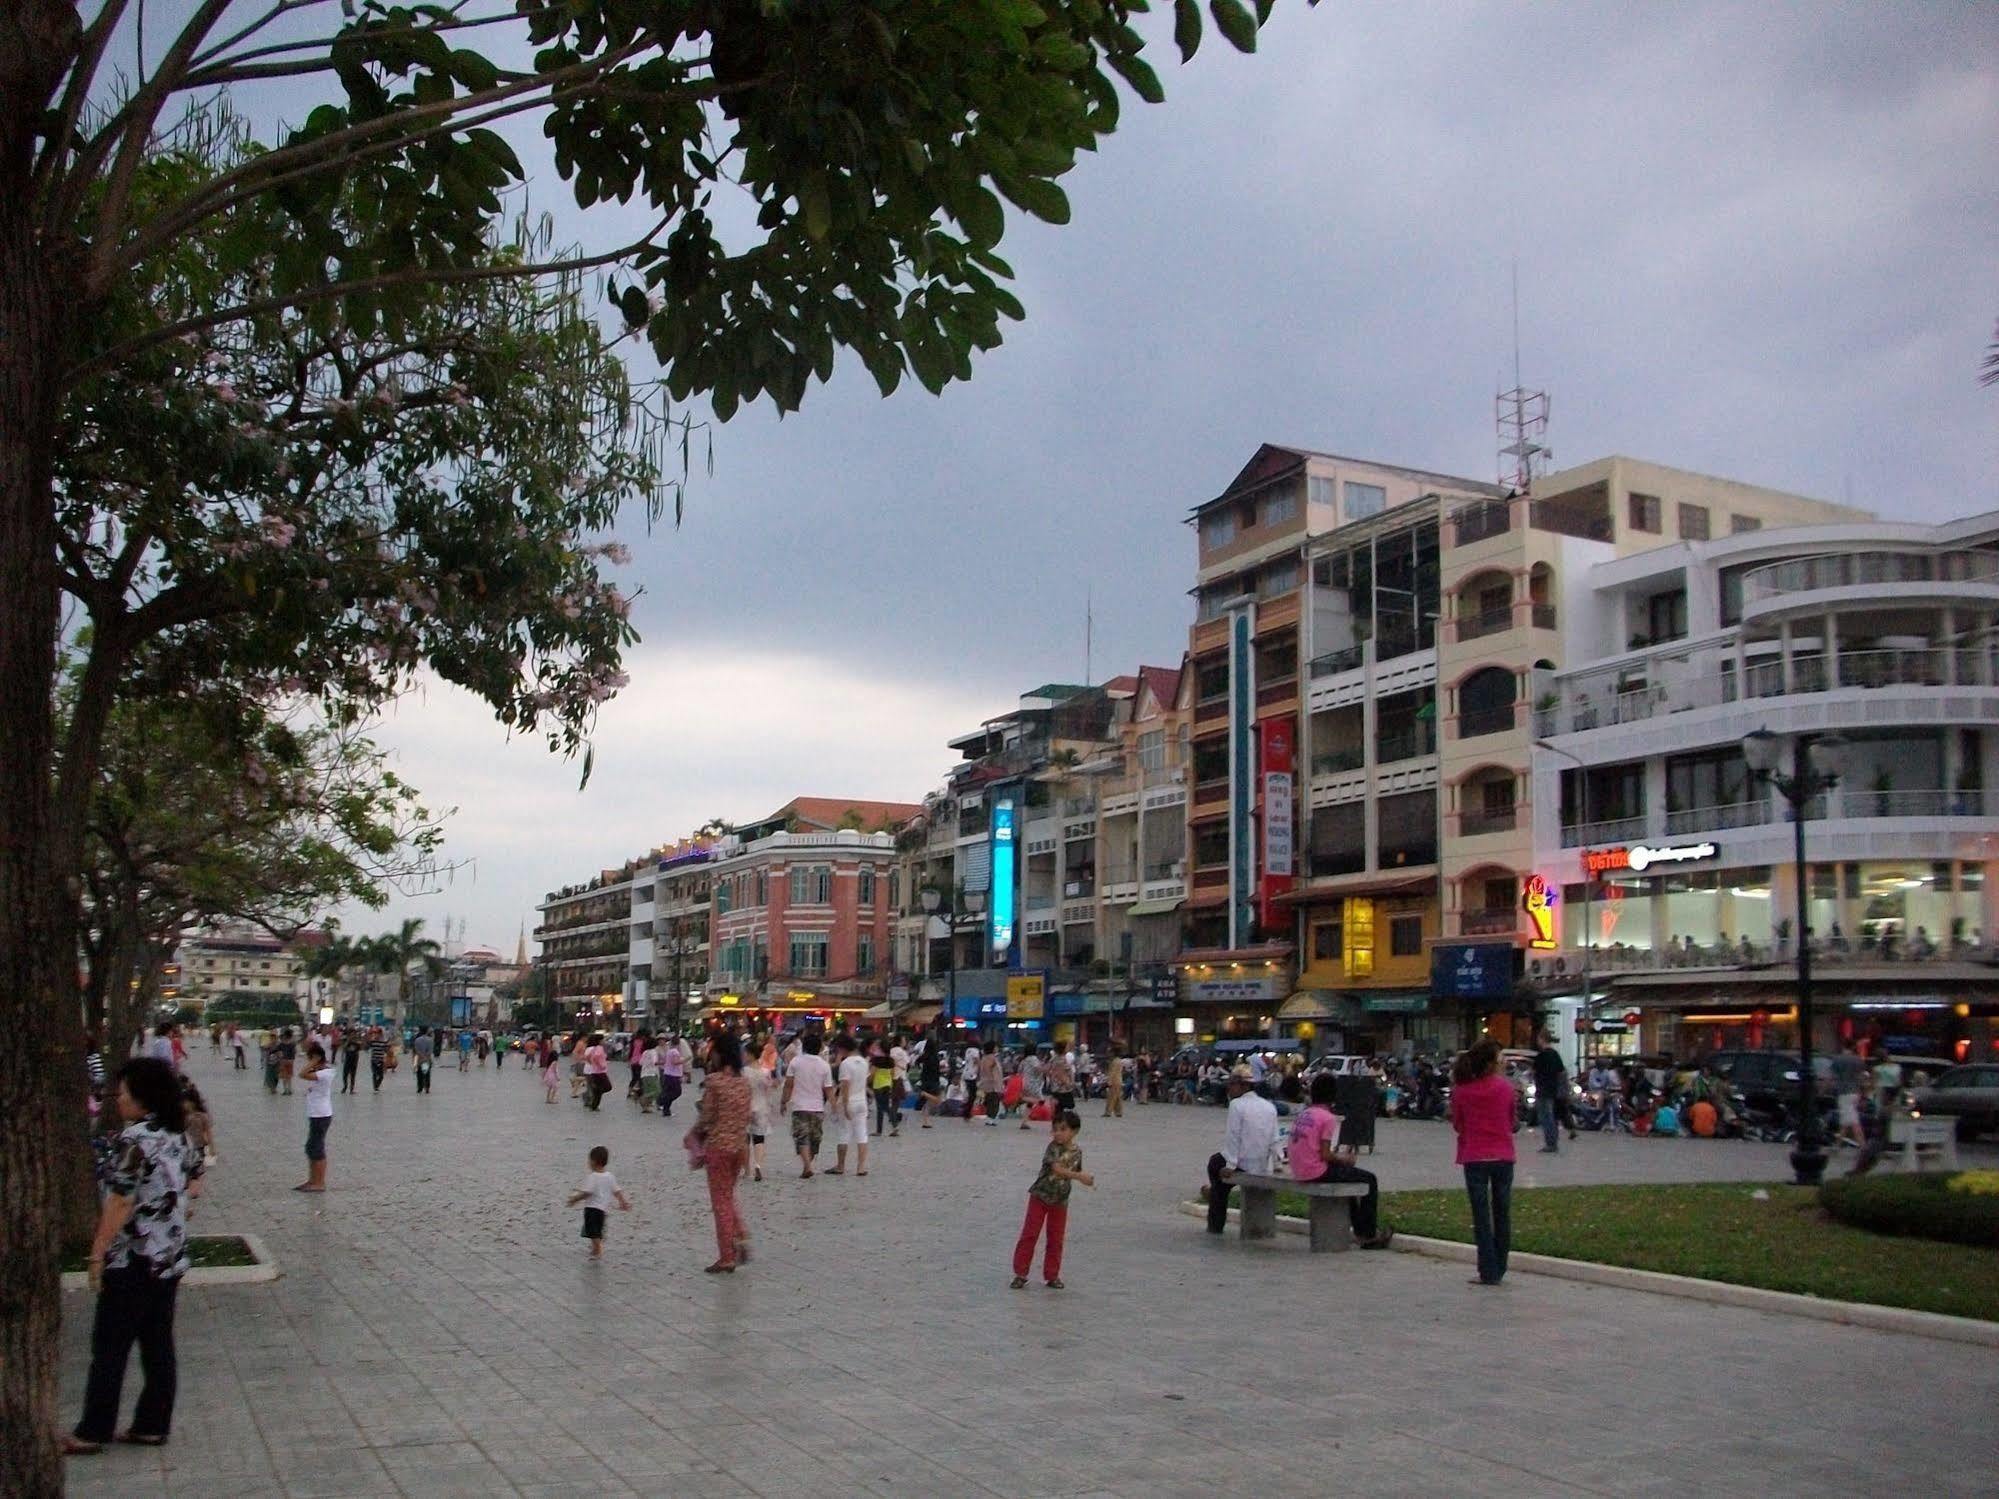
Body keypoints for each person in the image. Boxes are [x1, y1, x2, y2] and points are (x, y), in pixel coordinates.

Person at [64, 1057, 203, 1455]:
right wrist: (174, 1207)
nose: (118, 1099)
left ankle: (94, 1429)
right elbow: (194, 1181)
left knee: (109, 1346)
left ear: (143, 1098)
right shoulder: (181, 1136)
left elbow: (121, 1201)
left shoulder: (134, 1140)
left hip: (133, 1259)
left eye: (123, 1093)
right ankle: (152, 1424)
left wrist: (96, 1252)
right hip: (169, 1257)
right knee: (158, 1342)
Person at [1288, 1073, 1394, 1248]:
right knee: (1369, 1179)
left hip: (1299, 1168)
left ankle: (1360, 1230)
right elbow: (1325, 1154)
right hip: (1315, 1170)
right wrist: (1345, 1159)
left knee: (1348, 1180)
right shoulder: (1327, 1118)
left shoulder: (1305, 1114)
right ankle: (1367, 1235)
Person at [1451, 1040, 1517, 1287]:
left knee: (1481, 1216)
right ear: (1491, 1063)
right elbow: (1511, 1121)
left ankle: (1487, 1270)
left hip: (1475, 1156)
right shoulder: (1506, 1088)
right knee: (1502, 1212)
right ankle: (1500, 1266)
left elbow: (1458, 1123)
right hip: (1503, 1156)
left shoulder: (1462, 1091)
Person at [1010, 1110, 1094, 1290]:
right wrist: (1081, 1177)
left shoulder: (1077, 1152)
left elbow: (1074, 1171)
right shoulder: (1052, 1148)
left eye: (1063, 1129)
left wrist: (1083, 1179)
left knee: (1056, 1239)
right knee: (1030, 1234)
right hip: (1040, 1196)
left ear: (1074, 1131)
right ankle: (1020, 1273)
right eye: (1055, 1129)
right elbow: (1057, 1169)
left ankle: (1052, 1275)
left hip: (1060, 1200)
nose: (1057, 1133)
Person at [695, 1032, 754, 1273]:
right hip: (739, 1147)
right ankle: (740, 1235)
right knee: (728, 1196)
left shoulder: (715, 1082)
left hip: (718, 1148)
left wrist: (695, 1134)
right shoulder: (744, 1083)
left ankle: (727, 1255)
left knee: (720, 1201)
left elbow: (708, 1116)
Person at [1206, 1065, 1278, 1235]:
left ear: (1244, 1086)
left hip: (1243, 1162)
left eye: (1232, 1084)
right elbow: (1275, 1139)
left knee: (1215, 1165)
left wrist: (1230, 1165)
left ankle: (1216, 1223)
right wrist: (1276, 1163)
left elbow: (1234, 1137)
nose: (1229, 1089)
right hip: (1262, 1163)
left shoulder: (1237, 1105)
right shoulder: (1269, 1106)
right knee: (1218, 1175)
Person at [781, 1031, 833, 1177]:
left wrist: (783, 1101)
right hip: (817, 1107)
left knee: (801, 1137)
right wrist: (834, 1105)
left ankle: (807, 1166)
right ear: (819, 1048)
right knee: (815, 1138)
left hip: (799, 1105)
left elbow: (789, 1085)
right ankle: (808, 1165)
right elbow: (828, 1088)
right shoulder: (824, 1065)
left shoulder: (795, 1062)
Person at [567, 1145, 630, 1259]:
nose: (588, 1163)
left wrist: (574, 1199)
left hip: (592, 1209)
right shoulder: (609, 1176)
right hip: (602, 1210)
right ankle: (595, 1250)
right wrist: (623, 1202)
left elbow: (587, 1193)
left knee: (592, 1231)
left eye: (589, 1160)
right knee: (597, 1230)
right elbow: (617, 1191)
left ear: (593, 1162)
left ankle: (598, 1251)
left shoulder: (593, 1177)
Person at [827, 1033, 872, 1175]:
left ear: (842, 1048)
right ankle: (861, 1167)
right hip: (861, 1101)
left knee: (843, 1133)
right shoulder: (864, 1062)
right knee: (862, 1134)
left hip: (849, 1101)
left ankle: (841, 1166)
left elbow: (845, 1086)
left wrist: (844, 1105)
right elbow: (864, 1083)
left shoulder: (846, 1064)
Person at [295, 1042, 335, 1192]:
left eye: (309, 1058)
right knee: (311, 1148)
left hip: (321, 1114)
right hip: (315, 1114)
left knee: (317, 1148)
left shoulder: (326, 1073)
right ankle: (312, 1179)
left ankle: (319, 1182)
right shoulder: (321, 1072)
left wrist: (313, 1061)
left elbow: (301, 1074)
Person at [1531, 1032, 1569, 1154]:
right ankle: (1553, 1142)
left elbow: (1533, 1071)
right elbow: (1562, 1072)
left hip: (1543, 1090)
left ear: (1542, 1039)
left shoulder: (1541, 1056)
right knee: (1552, 1117)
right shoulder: (1555, 1054)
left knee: (1545, 1117)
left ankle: (1550, 1143)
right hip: (1553, 1090)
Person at [745, 1043, 776, 1181]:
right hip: (762, 1106)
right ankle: (758, 1165)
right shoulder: (765, 1071)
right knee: (759, 1139)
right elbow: (769, 1089)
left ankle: (747, 1169)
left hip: (746, 1107)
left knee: (745, 1140)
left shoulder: (743, 1072)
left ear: (750, 1054)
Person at [869, 1042, 897, 1139]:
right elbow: (893, 1074)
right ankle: (894, 1126)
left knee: (881, 1108)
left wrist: (868, 1082)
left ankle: (879, 1130)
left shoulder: (876, 1060)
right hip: (888, 1085)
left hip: (878, 1085)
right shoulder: (891, 1060)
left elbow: (872, 1074)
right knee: (886, 1106)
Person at [1044, 1047, 1077, 1127]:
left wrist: (1051, 1077)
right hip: (1063, 1087)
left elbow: (1046, 1070)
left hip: (1055, 1086)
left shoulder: (1053, 1059)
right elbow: (1064, 1073)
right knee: (1068, 1105)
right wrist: (1069, 1083)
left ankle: (1057, 1122)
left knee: (1059, 1106)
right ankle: (1062, 1122)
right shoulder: (1062, 1060)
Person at [916, 1031, 943, 1127]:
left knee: (927, 1103)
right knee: (937, 1100)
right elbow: (936, 1069)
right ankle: (924, 1094)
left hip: (924, 1078)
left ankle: (926, 1121)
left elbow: (917, 1062)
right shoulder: (935, 1057)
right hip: (933, 1079)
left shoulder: (925, 1056)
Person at [660, 1033, 688, 1117]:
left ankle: (666, 1110)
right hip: (673, 1075)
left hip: (668, 1074)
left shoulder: (669, 1051)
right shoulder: (675, 1052)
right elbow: (675, 1062)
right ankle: (662, 1100)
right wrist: (684, 1060)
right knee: (677, 1092)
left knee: (669, 1091)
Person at [976, 1047, 1004, 1128]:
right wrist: (992, 1078)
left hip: (987, 1083)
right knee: (994, 1101)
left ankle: (990, 1118)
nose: (996, 1048)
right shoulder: (992, 1058)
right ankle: (991, 1119)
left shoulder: (984, 1058)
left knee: (989, 1100)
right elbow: (989, 1069)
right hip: (993, 1083)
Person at [583, 1033, 612, 1110]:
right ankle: (595, 1097)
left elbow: (587, 1057)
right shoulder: (599, 1048)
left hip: (594, 1071)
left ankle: (594, 1105)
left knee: (597, 1087)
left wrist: (592, 1063)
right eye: (603, 1040)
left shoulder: (593, 1048)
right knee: (607, 1086)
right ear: (599, 1041)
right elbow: (595, 1057)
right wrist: (601, 1065)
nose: (604, 1041)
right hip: (600, 1071)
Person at [1103, 1047, 1125, 1119]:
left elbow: (1112, 1072)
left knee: (1111, 1097)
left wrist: (1109, 1081)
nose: (1109, 1054)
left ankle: (1108, 1112)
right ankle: (1119, 1112)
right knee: (1117, 1097)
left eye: (1110, 1052)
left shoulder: (1115, 1061)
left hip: (1114, 1081)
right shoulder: (1119, 1060)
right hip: (1119, 1080)